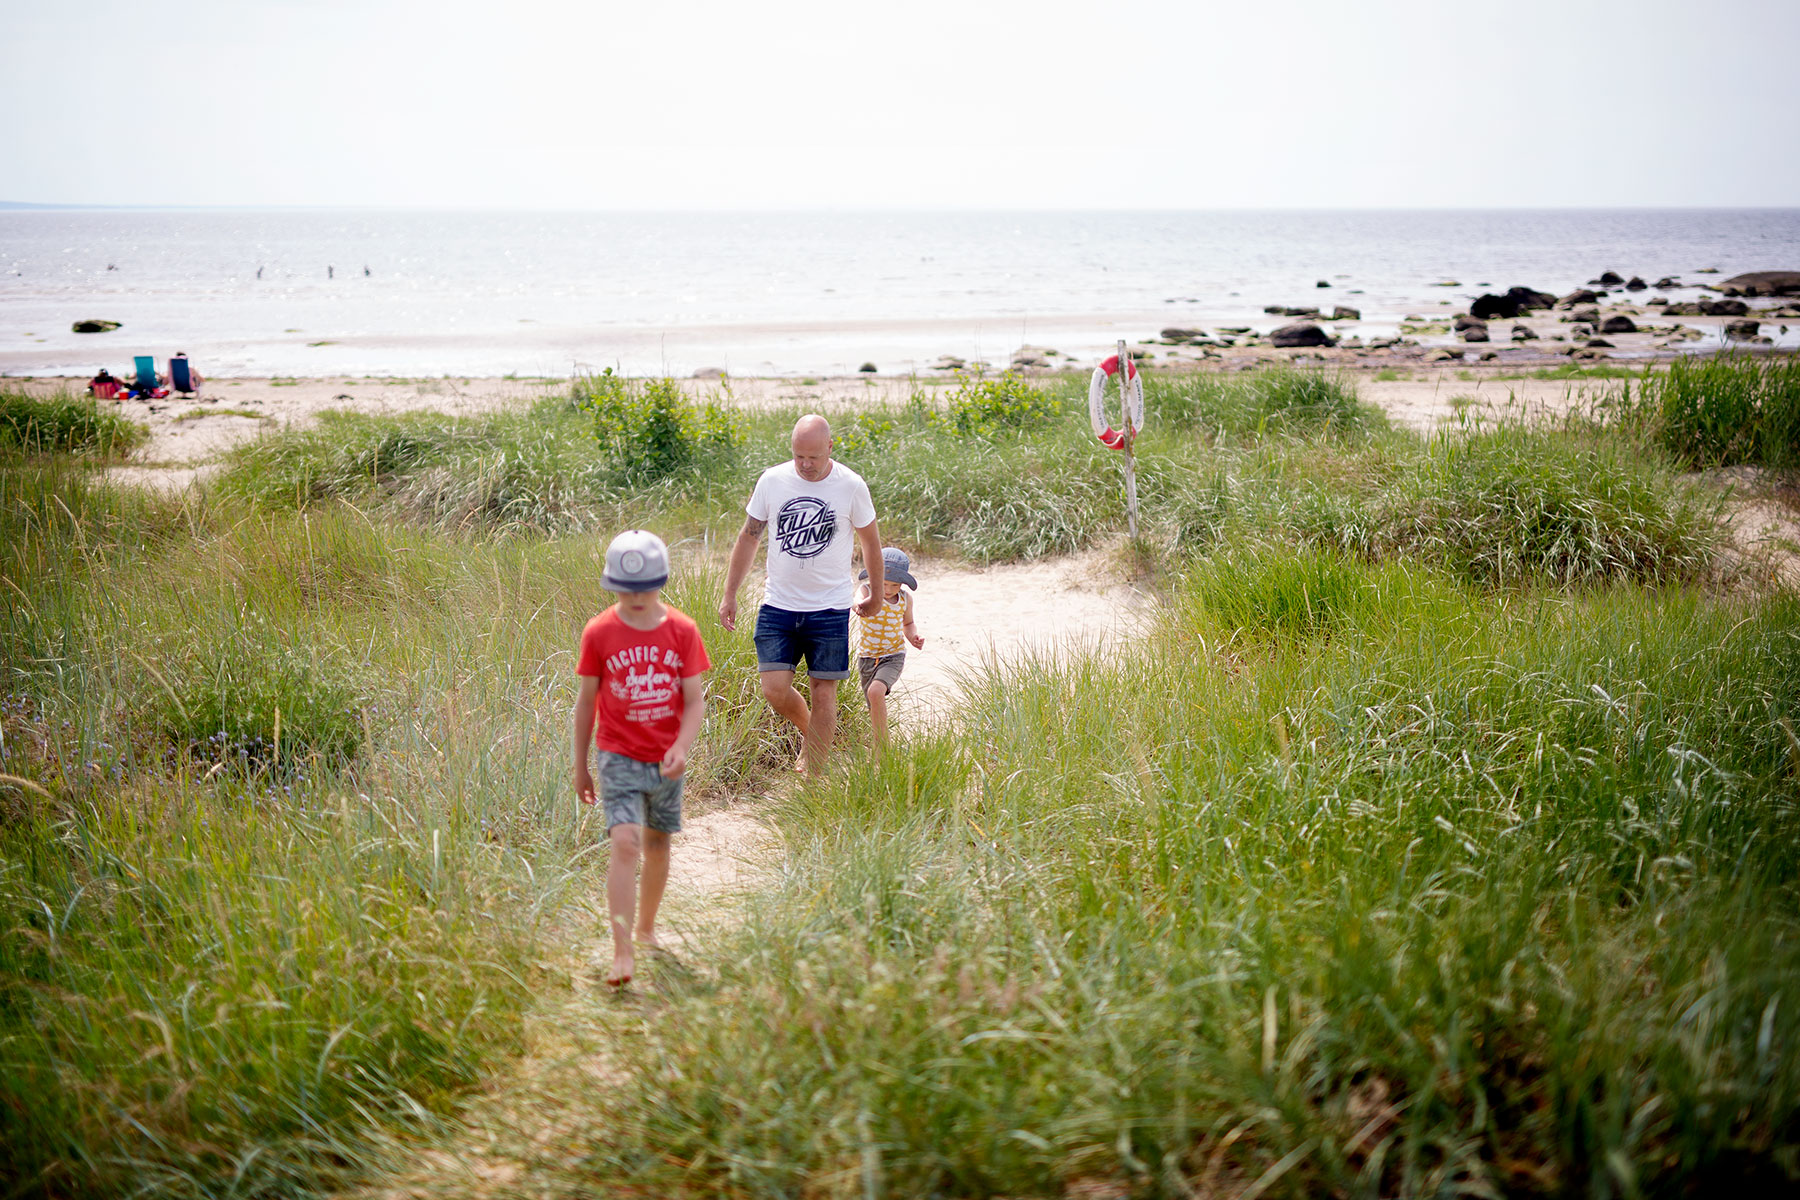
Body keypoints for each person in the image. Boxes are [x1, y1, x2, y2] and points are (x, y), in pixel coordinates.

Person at [573, 530, 710, 989]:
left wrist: (682, 747)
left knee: (656, 844)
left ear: (662, 582)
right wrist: (580, 764)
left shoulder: (682, 631)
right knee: (626, 843)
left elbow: (694, 701)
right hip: (618, 755)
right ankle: (622, 951)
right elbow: (586, 702)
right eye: (625, 589)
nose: (635, 598)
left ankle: (647, 928)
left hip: (666, 758)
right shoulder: (599, 632)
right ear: (612, 584)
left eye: (645, 588)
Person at [720, 414, 884, 775]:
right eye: (799, 457)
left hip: (830, 607)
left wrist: (874, 592)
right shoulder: (773, 481)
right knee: (774, 690)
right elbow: (749, 535)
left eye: (813, 457)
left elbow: (870, 541)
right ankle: (816, 738)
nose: (806, 465)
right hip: (778, 604)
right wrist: (730, 592)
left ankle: (814, 777)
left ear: (830, 448)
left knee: (824, 692)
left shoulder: (851, 486)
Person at [853, 547, 924, 751]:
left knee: (876, 692)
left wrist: (913, 637)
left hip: (893, 655)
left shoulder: (904, 599)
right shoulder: (866, 591)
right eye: (883, 583)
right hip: (867, 657)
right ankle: (878, 740)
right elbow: (857, 602)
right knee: (872, 704)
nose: (888, 589)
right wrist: (860, 606)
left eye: (895, 584)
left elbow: (908, 624)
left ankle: (882, 750)